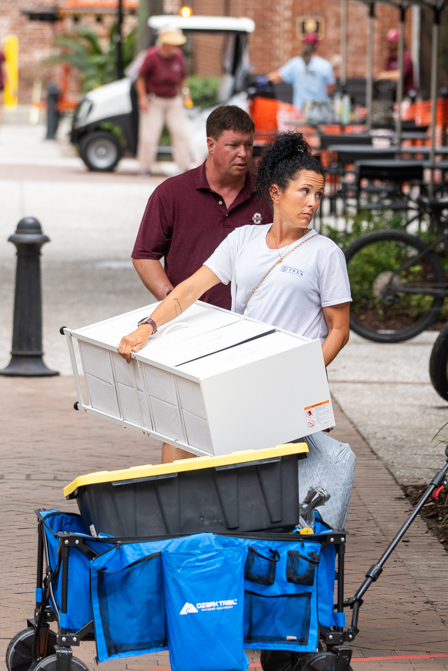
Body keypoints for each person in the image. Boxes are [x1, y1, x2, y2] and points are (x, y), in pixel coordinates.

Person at [119, 132, 357, 527]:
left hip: (285, 383)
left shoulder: (325, 253)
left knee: (261, 478)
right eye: (305, 192)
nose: (313, 203)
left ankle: (260, 549)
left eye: (318, 195)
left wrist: (305, 381)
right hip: (239, 371)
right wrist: (148, 325)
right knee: (181, 439)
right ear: (276, 194)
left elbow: (339, 330)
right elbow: (191, 289)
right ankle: (176, 537)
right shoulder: (242, 240)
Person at [131, 105, 272, 464]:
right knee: (180, 422)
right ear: (210, 144)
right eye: (233, 145)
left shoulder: (267, 198)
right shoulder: (172, 193)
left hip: (248, 331)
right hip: (187, 330)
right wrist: (172, 302)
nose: (243, 154)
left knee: (243, 425)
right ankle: (175, 500)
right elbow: (145, 254)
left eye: (249, 146)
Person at [135, 27, 191, 177]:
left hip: (173, 100)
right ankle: (145, 167)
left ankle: (184, 167)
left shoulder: (178, 56)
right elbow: (140, 78)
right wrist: (142, 98)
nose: (174, 47)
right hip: (155, 100)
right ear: (164, 42)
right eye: (171, 43)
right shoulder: (152, 56)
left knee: (181, 133)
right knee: (149, 135)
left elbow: (182, 79)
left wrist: (186, 95)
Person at [267, 33, 336, 123]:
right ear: (318, 46)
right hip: (320, 112)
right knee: (316, 136)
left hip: (300, 112)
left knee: (302, 136)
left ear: (303, 45)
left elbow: (275, 78)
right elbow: (330, 90)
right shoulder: (325, 65)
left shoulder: (296, 64)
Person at [380, 28, 415, 94]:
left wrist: (382, 75)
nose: (389, 44)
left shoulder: (406, 57)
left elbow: (400, 75)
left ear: (399, 43)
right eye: (389, 42)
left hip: (407, 95)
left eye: (392, 42)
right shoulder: (390, 58)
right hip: (393, 94)